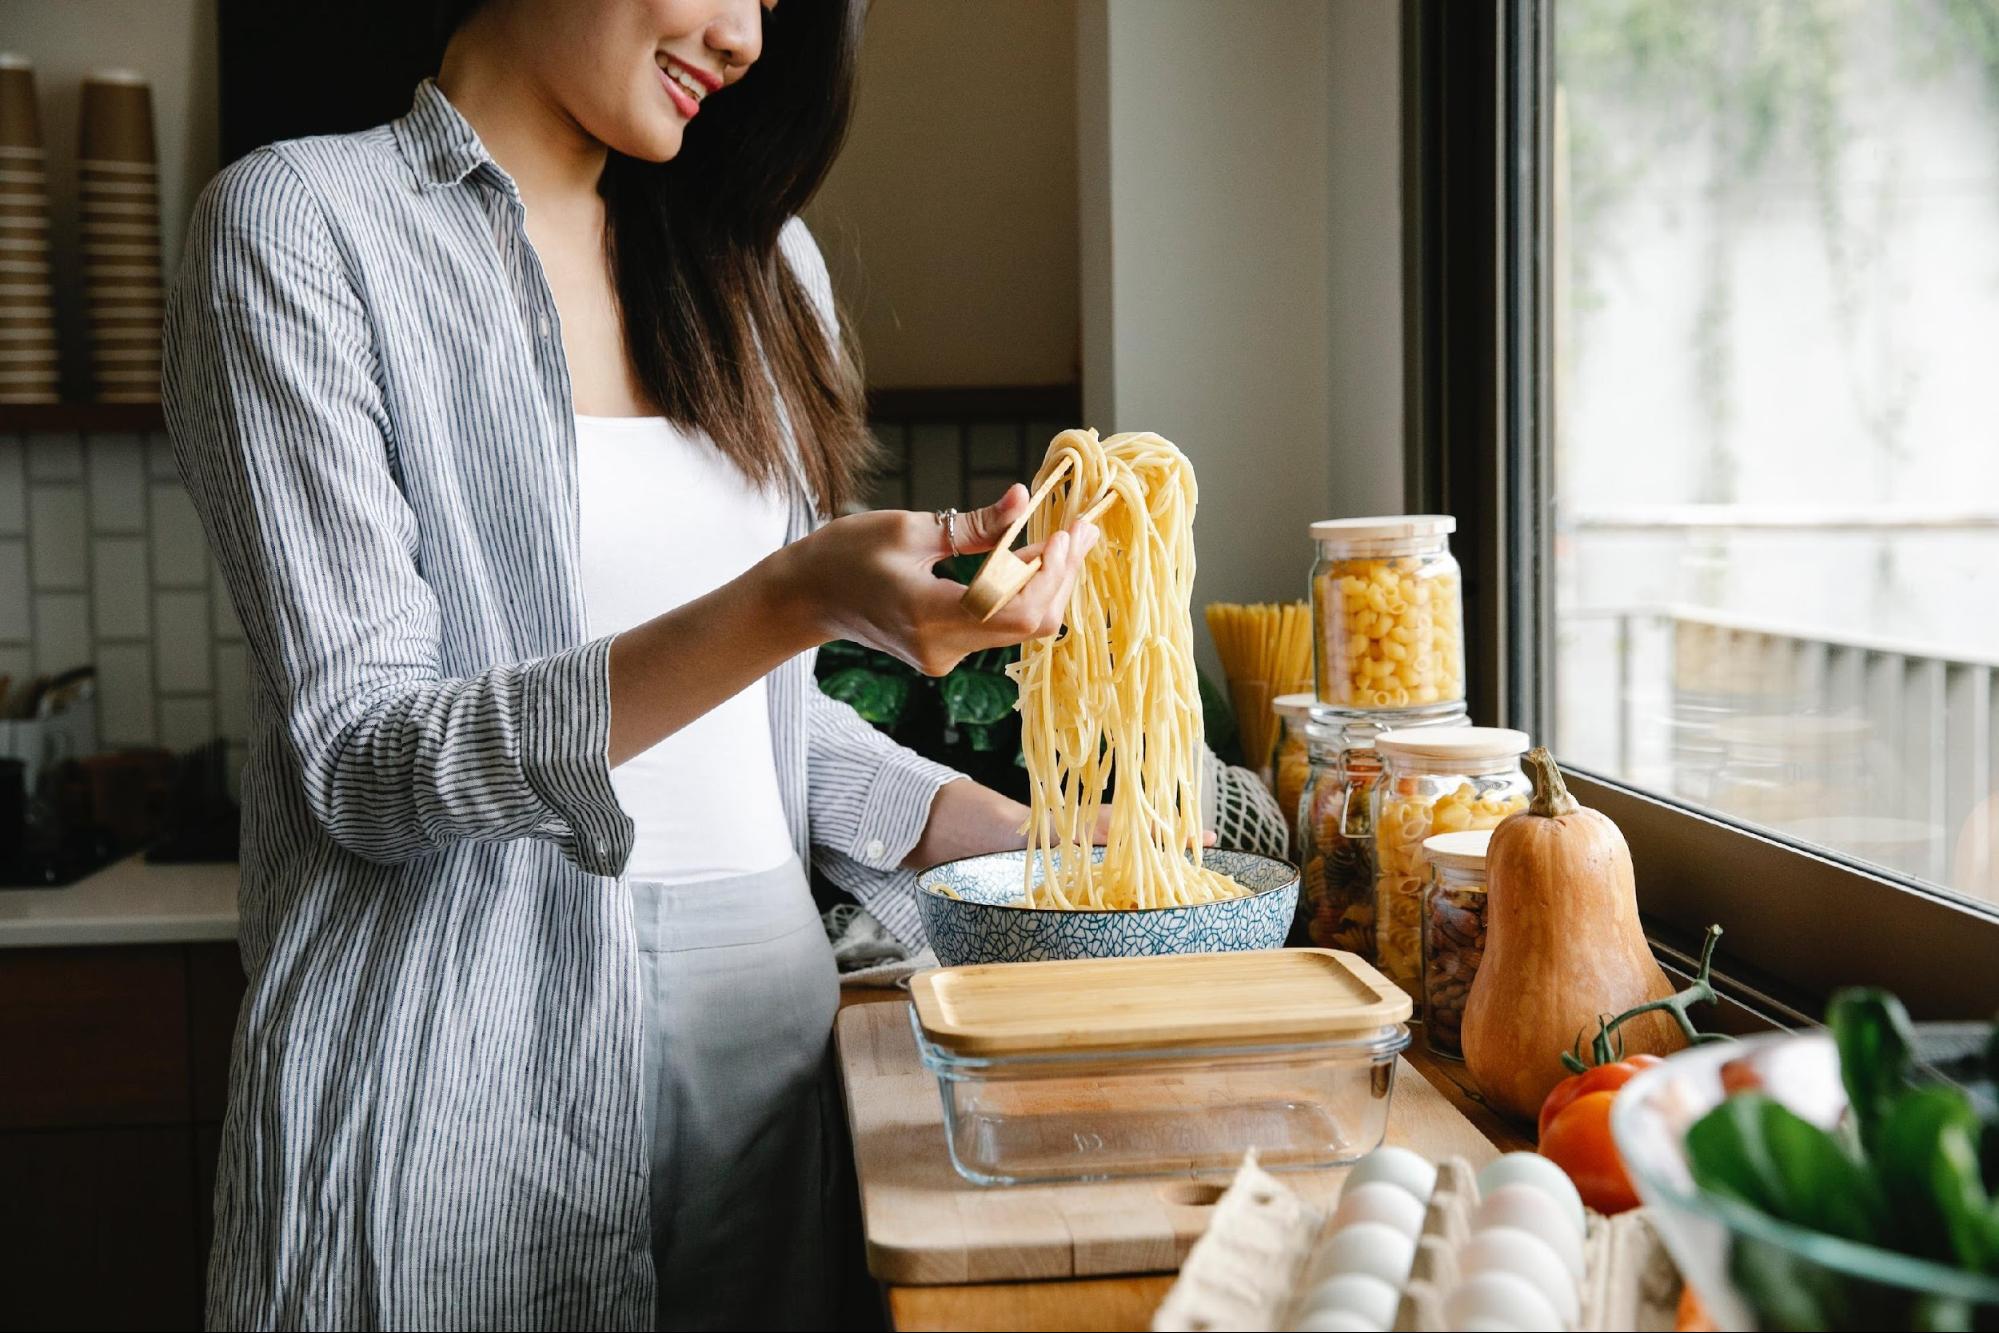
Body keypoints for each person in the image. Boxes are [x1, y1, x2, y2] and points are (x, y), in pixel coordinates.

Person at [162, 1, 1098, 1327]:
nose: (747, 38)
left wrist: (1032, 844)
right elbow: (370, 767)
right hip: (459, 1072)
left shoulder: (766, 266)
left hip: (770, 1051)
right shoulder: (302, 230)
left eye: (775, 3)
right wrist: (796, 595)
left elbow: (762, 724)